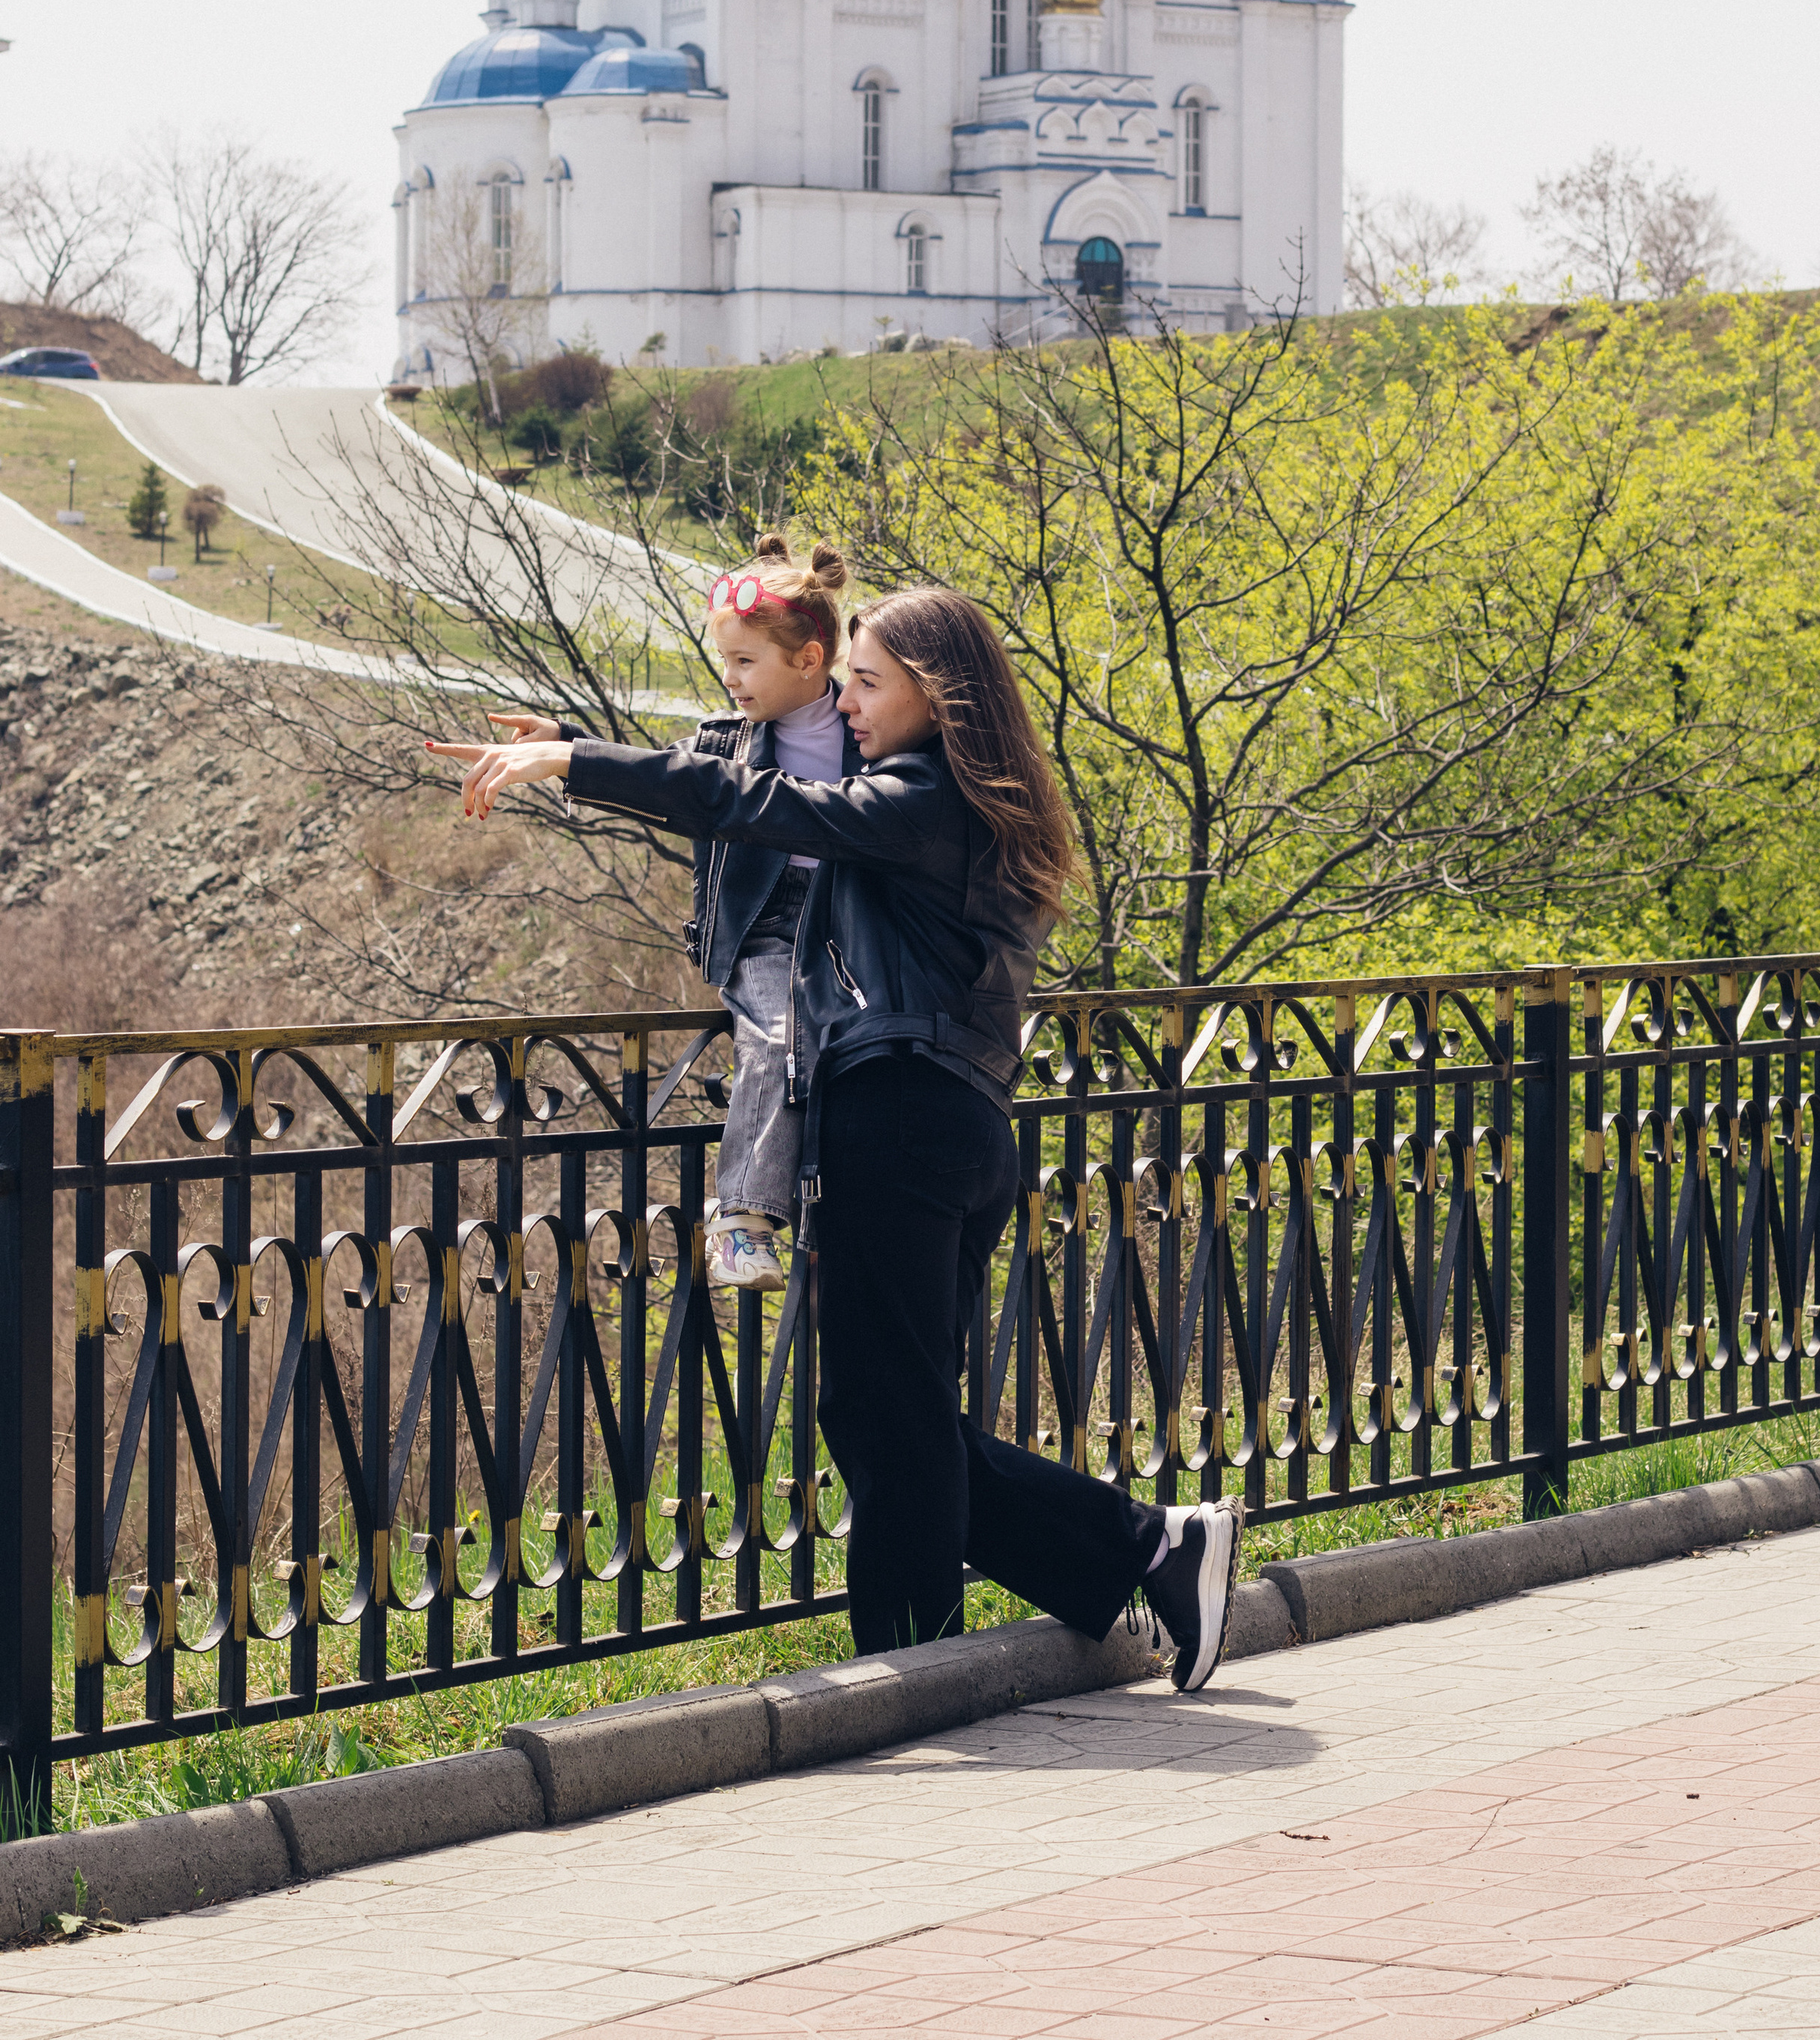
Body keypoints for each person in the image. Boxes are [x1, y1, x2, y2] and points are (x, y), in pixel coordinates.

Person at [431, 585, 1244, 1691]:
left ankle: (967, 1641)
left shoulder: (921, 798)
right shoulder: (970, 800)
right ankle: (1130, 1560)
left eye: (868, 684)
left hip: (897, 1120)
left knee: (877, 1409)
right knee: (894, 1409)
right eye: (847, 680)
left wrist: (577, 762)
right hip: (954, 1126)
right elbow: (746, 771)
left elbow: (748, 800)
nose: (848, 705)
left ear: (936, 696)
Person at [486, 530, 854, 1295]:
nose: (730, 679)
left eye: (746, 662)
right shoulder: (727, 743)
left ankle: (833, 1216)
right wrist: (569, 747)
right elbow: (665, 781)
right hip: (762, 929)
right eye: (725, 661)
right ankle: (743, 1223)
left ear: (809, 660)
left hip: (848, 933)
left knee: (852, 1052)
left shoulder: (868, 738)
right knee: (784, 1037)